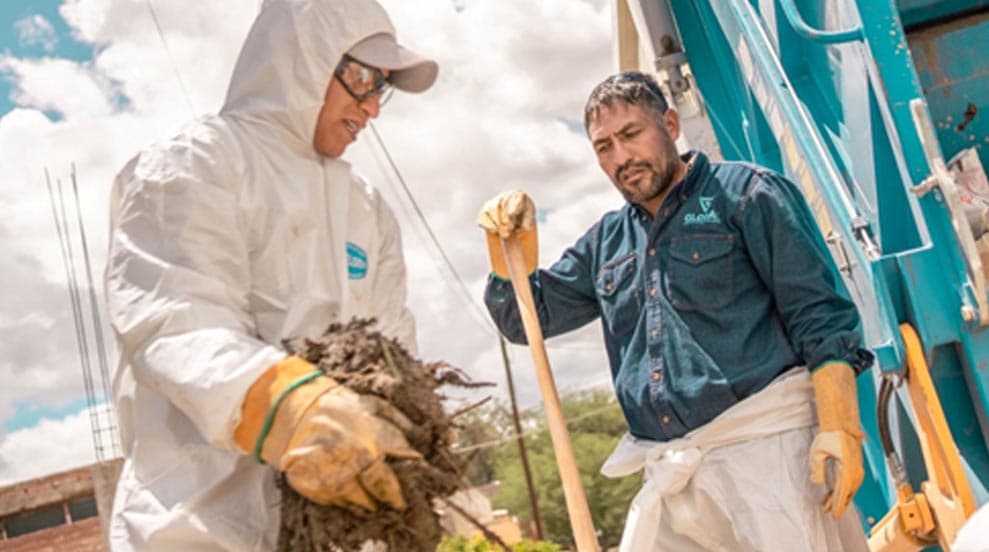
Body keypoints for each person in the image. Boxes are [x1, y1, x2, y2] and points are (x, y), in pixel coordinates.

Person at [477, 71, 874, 551]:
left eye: (630, 135)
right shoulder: (607, 242)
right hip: (669, 471)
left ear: (669, 123)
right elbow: (525, 319)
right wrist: (506, 249)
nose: (621, 158)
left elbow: (822, 319)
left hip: (766, 455)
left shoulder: (747, 194)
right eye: (604, 147)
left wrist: (839, 428)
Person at [103, 0, 437, 549]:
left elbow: (396, 348)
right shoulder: (195, 165)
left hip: (343, 534)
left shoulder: (366, 210)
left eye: (383, 87)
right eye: (361, 78)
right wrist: (287, 407)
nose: (372, 106)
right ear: (300, 60)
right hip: (203, 530)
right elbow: (175, 323)